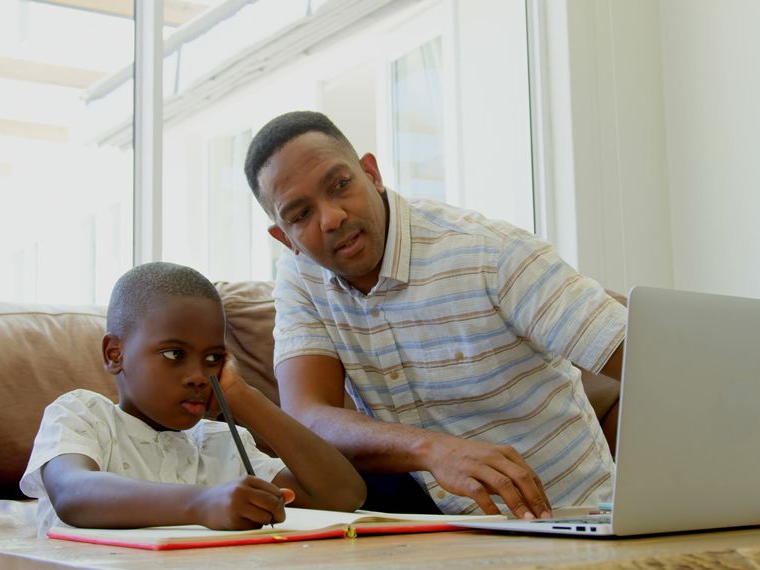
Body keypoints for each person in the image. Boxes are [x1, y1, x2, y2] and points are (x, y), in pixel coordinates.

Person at [243, 111, 627, 520]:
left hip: (574, 518)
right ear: (285, 239)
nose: (331, 217)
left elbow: (655, 364)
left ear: (371, 173)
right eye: (300, 215)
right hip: (443, 534)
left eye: (340, 185)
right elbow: (307, 416)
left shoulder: (490, 253)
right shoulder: (302, 276)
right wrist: (431, 448)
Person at [19, 262, 366, 536]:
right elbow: (74, 494)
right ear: (115, 354)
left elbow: (342, 495)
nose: (200, 376)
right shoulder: (82, 415)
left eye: (214, 358)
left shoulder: (220, 444)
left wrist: (242, 397)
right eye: (173, 354)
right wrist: (202, 502)